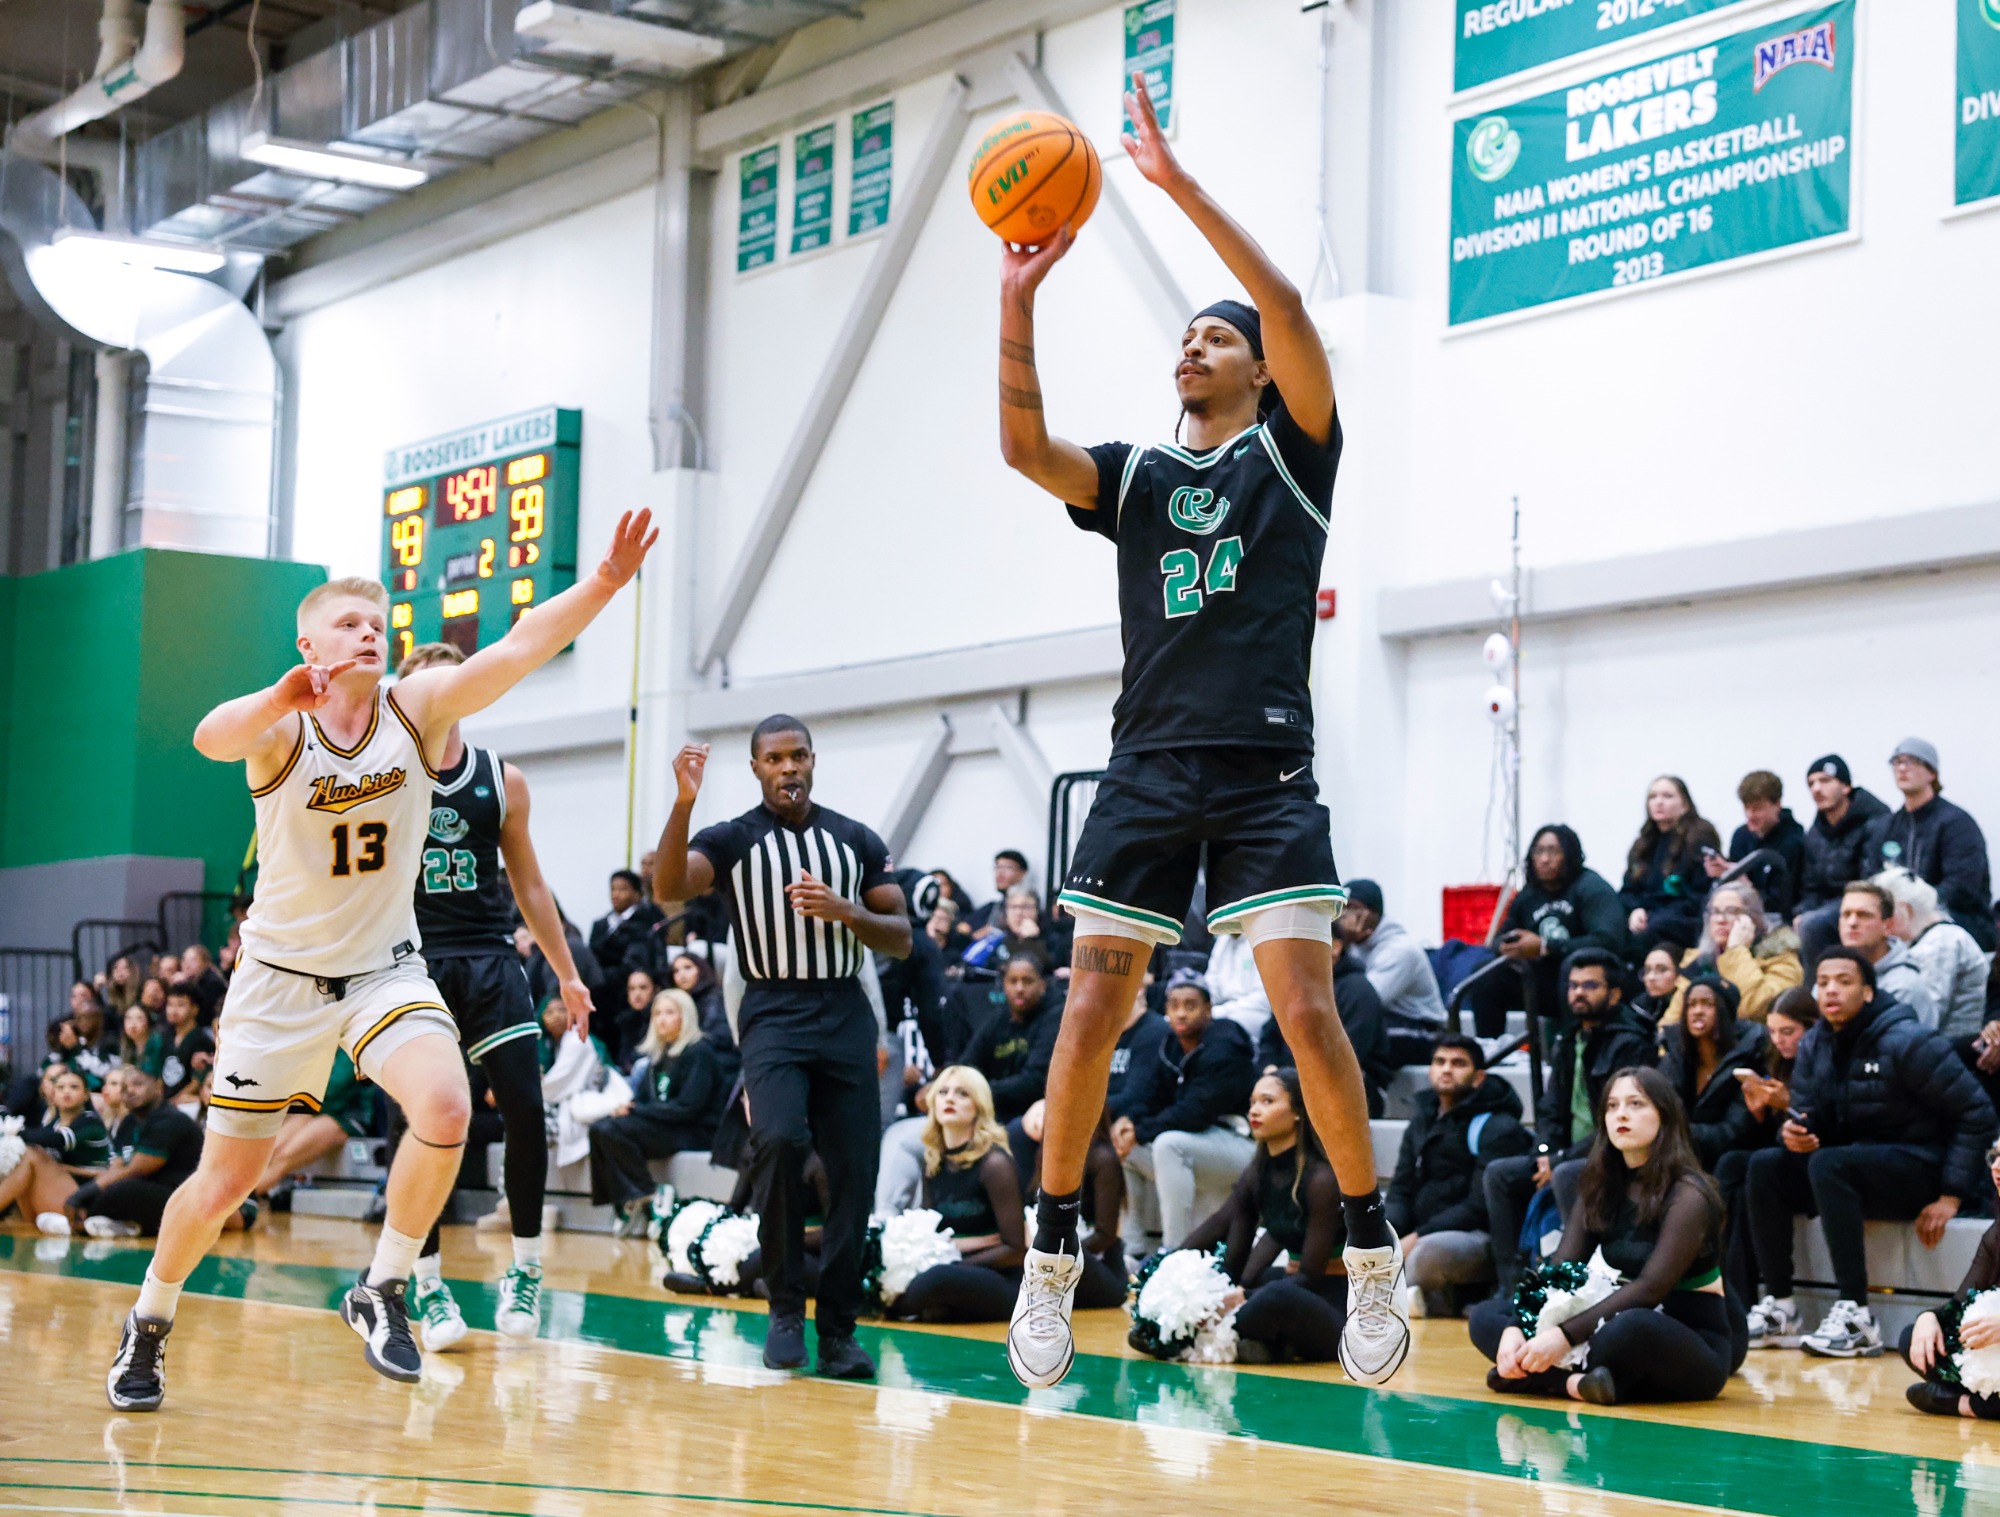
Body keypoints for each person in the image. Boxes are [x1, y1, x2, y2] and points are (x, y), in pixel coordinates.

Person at [992, 72, 1404, 1392]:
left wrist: (1173, 188)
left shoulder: (1295, 453)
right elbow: (1023, 450)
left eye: (1213, 339)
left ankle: (1373, 1249)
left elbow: (1282, 305)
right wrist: (1015, 301)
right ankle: (1053, 1256)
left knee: (1305, 1008)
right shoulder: (1138, 475)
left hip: (1267, 761)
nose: (1194, 346)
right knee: (1087, 1015)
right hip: (1149, 765)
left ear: (1257, 368)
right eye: (1183, 337)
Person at [102, 509, 656, 1413]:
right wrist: (280, 697)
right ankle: (150, 1319)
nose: (371, 633)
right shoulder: (281, 728)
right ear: (309, 642)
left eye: (379, 624)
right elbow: (208, 735)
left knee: (444, 1105)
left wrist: (601, 584)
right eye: (351, 623)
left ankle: (385, 1283)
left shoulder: (416, 706)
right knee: (224, 1181)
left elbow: (515, 649)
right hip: (279, 980)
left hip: (383, 969)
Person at [653, 714, 910, 1381]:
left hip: (843, 1009)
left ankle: (840, 1332)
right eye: (775, 758)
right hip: (772, 1010)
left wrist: (846, 911)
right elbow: (669, 886)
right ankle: (785, 1306)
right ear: (757, 767)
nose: (789, 767)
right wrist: (683, 802)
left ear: (813, 760)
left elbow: (902, 935)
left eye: (798, 755)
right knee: (779, 1139)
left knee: (855, 1172)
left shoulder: (855, 839)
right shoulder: (733, 838)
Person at [382, 640, 603, 1353]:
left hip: (487, 958)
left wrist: (568, 972)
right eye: (422, 685)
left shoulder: (501, 778)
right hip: (410, 963)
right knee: (422, 1124)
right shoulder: (380, 776)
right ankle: (427, 1279)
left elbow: (532, 885)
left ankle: (526, 1267)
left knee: (525, 1109)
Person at [1743, 947, 1997, 1358]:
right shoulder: (1815, 1045)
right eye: (1823, 982)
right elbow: (1811, 1115)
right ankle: (1780, 1307)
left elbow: (1977, 1113)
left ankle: (1857, 1314)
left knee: (1830, 1163)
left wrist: (1951, 1194)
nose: (1831, 990)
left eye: (1844, 982)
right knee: (1763, 1165)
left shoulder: (1909, 1040)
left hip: (1920, 1166)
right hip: (1852, 1167)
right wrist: (1794, 1133)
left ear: (1868, 993)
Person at [1472, 1067, 1746, 1405]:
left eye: (1636, 1104)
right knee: (1486, 1317)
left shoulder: (1689, 1194)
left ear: (1665, 1115)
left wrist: (1563, 1335)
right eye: (1612, 1106)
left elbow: (1651, 1288)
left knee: (1628, 1329)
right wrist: (1519, 1323)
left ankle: (1547, 1380)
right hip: (1611, 1323)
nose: (1621, 1115)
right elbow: (1562, 1267)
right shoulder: (1599, 1183)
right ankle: (1579, 1384)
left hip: (1688, 1340)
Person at [1484, 949, 1657, 1292]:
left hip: (1615, 1153)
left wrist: (1558, 1160)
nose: (1578, 992)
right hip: (1564, 1153)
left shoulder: (1631, 1043)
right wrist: (1545, 1151)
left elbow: (1622, 1121)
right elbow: (1549, 1110)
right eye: (1573, 985)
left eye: (1590, 985)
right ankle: (1511, 1287)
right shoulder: (1567, 1039)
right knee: (1499, 1174)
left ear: (1615, 993)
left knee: (1565, 1174)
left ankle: (1577, 1284)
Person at [1177, 1068, 1349, 1362]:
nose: (1255, 1110)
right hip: (1299, 1293)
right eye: (1253, 1102)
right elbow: (1226, 1234)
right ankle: (1270, 1346)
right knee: (1219, 1290)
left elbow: (1310, 1274)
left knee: (1273, 1296)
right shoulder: (1257, 1173)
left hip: (1338, 1306)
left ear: (1297, 1112)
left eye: (1268, 1102)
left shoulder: (1322, 1179)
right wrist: (1172, 1267)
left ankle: (1254, 1339)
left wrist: (1242, 1298)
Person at [1112, 969, 1257, 1256]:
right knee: (1124, 1147)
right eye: (1174, 1006)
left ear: (1208, 1010)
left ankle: (1173, 1252)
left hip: (1241, 1145)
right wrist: (1130, 1123)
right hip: (1202, 1145)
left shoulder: (1224, 1043)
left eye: (1190, 1005)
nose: (1181, 1013)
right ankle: (1132, 1249)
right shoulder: (1170, 1046)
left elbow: (1194, 1113)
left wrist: (1141, 1131)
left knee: (1168, 1144)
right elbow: (1152, 1097)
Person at [1388, 1036, 1533, 1315]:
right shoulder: (1421, 1119)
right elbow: (1400, 1188)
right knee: (1367, 1239)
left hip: (1478, 1237)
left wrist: (1417, 1236)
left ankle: (1418, 1297)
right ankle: (1416, 1297)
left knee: (1427, 1255)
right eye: (1439, 1061)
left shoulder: (1498, 1126)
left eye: (1458, 1064)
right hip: (1422, 1230)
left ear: (1478, 1078)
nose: (1446, 1069)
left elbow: (1479, 1208)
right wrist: (1388, 1233)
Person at [889, 1066, 1028, 1323]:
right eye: (943, 1092)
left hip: (1004, 1281)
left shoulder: (995, 1165)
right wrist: (964, 1246)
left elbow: (1016, 1249)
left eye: (962, 1093)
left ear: (979, 1106)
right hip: (957, 1269)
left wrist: (954, 1264)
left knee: (936, 1279)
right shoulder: (933, 1162)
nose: (950, 1098)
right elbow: (932, 1235)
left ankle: (891, 1306)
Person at [588, 990, 727, 1228]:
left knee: (612, 1130)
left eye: (670, 1012)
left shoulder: (699, 1052)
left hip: (696, 1130)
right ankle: (626, 1197)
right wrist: (628, 1108)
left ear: (686, 1016)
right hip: (666, 1124)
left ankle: (646, 1194)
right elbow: (642, 1100)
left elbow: (688, 1108)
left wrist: (635, 1111)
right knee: (599, 1128)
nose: (662, 1019)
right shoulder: (658, 1057)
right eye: (657, 1013)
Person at [1864, 738, 1996, 951]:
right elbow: (1872, 878)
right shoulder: (1885, 826)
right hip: (1896, 918)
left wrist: (1914, 908)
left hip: (1957, 919)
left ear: (1931, 773)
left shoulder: (1957, 823)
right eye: (1897, 762)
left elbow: (1961, 887)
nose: (1902, 768)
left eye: (1912, 762)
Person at [1901, 1140, 2000, 1419]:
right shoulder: (1997, 1233)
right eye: (1995, 1156)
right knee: (1915, 1339)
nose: (1996, 1167)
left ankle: (1970, 1405)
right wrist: (1929, 1317)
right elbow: (1960, 1306)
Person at [1494, 825, 1628, 1021]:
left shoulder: (1592, 887)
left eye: (1553, 851)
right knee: (1488, 974)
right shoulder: (1528, 895)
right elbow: (1498, 938)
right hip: (1541, 982)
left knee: (1570, 970)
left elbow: (1608, 941)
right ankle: (1488, 1046)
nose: (1544, 859)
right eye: (1538, 851)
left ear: (1569, 854)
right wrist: (1505, 947)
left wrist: (1545, 947)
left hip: (1584, 981)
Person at [1257, 934, 1393, 1116]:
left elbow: (1347, 1055)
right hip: (1291, 1082)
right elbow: (1270, 1035)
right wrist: (1270, 1068)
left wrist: (1288, 1080)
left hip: (1354, 1088)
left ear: (1335, 947)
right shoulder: (1294, 986)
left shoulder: (1359, 991)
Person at [71, 1065, 212, 1240]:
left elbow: (136, 1170)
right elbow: (116, 1168)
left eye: (138, 1084)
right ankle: (115, 1224)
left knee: (125, 1189)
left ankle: (88, 1220)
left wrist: (80, 1197)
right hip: (150, 1192)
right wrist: (84, 1194)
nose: (129, 1091)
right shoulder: (129, 1122)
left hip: (185, 1196)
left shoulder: (170, 1119)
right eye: (123, 1088)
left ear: (158, 1086)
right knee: (109, 1187)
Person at [1658, 976, 1767, 1168]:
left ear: (1725, 1012)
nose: (1697, 1011)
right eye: (1691, 1005)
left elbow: (1736, 1132)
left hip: (1726, 1158)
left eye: (1708, 1004)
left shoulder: (1750, 1058)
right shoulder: (1675, 1056)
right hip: (1678, 1153)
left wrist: (1675, 1134)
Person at [1792, 755, 1892, 961]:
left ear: (1846, 786)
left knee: (1812, 924)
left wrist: (1810, 916)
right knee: (1795, 922)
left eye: (1825, 781)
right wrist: (1801, 912)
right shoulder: (1815, 832)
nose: (1816, 789)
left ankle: (1815, 990)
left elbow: (1871, 879)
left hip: (1862, 901)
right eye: (1811, 783)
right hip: (1827, 905)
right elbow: (1810, 886)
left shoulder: (1874, 822)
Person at [1339, 880, 1447, 1066]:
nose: (1345, 916)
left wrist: (1343, 943)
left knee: (1356, 1037)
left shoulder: (1400, 950)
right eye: (1341, 908)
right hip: (1387, 1020)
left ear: (1374, 914)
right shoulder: (1356, 947)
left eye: (1353, 908)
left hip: (1422, 1029)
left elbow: (1365, 1001)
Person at [1664, 882, 1802, 1026]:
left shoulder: (1780, 957)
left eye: (1731, 911)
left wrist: (1736, 950)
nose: (1720, 920)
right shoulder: (1699, 962)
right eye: (1715, 911)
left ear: (1753, 918)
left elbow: (1753, 1008)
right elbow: (1670, 1023)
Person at [1880, 868, 1989, 1043]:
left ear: (1904, 910)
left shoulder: (1942, 943)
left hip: (1953, 1049)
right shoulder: (1927, 938)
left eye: (1884, 913)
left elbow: (1925, 1017)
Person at [1620, 777, 1722, 959]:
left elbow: (1701, 894)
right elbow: (1628, 890)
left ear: (1685, 804)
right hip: (1648, 917)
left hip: (1684, 918)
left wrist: (1653, 915)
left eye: (1667, 796)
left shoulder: (1699, 836)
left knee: (1655, 929)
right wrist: (1636, 910)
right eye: (1653, 796)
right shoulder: (1643, 843)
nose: (1659, 802)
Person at [0, 1066, 110, 1229]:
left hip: (85, 1200)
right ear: (53, 1094)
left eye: (74, 1087)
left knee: (31, 1154)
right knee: (24, 1155)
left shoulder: (90, 1122)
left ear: (86, 1094)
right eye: (60, 1087)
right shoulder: (54, 1124)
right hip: (59, 1193)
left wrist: (16, 1130)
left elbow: (58, 1140)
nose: (67, 1092)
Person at [1704, 771, 1806, 919]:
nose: (1750, 815)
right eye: (1746, 808)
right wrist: (1721, 874)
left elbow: (1783, 903)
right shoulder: (1741, 835)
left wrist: (1747, 888)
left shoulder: (1794, 842)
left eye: (1757, 808)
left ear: (1777, 804)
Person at [1837, 880, 1939, 1027]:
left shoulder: (1904, 987)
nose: (1852, 922)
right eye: (1846, 914)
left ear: (1888, 925)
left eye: (1863, 915)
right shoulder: (1830, 976)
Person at [589, 871, 664, 1048]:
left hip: (623, 991)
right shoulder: (600, 924)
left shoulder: (645, 922)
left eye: (623, 889)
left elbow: (636, 962)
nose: (616, 894)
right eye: (613, 889)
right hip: (600, 990)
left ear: (637, 894)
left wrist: (601, 975)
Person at [158, 983, 216, 1104]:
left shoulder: (200, 1040)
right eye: (170, 1004)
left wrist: (171, 1103)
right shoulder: (167, 1037)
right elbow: (161, 1076)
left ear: (195, 1009)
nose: (173, 1010)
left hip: (188, 1104)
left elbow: (197, 1082)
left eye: (180, 1005)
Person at [1630, 945, 1681, 1033]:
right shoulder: (1637, 1009)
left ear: (1679, 973)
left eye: (1662, 969)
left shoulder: (1686, 1009)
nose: (1651, 977)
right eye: (1647, 970)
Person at [119, 1003, 166, 1079]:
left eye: (139, 1018)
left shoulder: (157, 1043)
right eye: (128, 1018)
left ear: (148, 1021)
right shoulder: (126, 1044)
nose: (133, 1024)